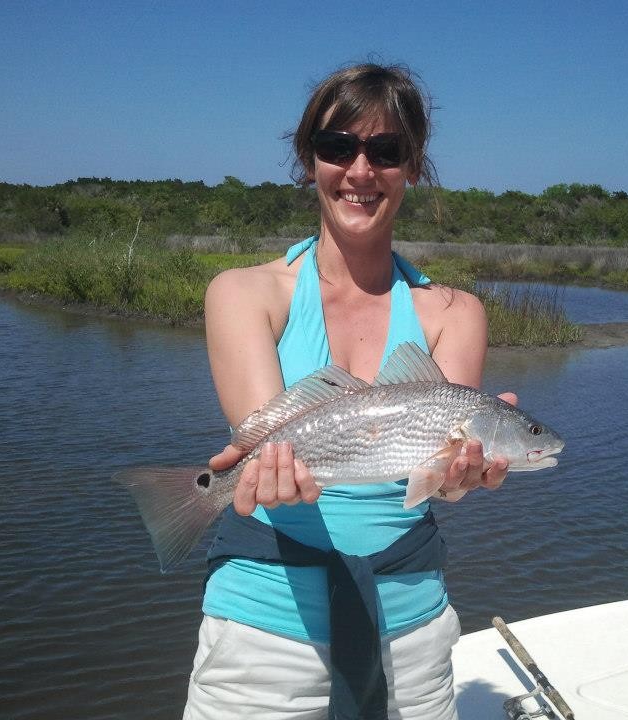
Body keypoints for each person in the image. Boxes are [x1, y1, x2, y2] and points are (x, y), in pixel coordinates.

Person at [184, 63, 515, 720]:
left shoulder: (456, 313)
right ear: (310, 161)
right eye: (338, 147)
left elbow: (439, 478)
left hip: (411, 632)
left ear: (412, 166)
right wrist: (259, 474)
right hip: (261, 631)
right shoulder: (242, 293)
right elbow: (263, 440)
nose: (360, 171)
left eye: (385, 151)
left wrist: (463, 477)